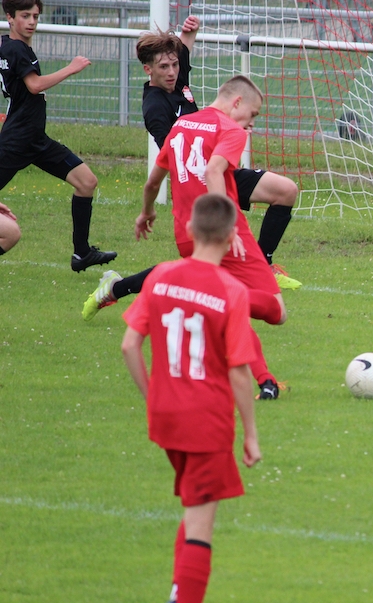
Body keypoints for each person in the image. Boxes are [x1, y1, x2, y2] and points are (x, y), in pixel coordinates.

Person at [82, 19, 301, 321]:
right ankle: (213, 287)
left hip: (209, 184)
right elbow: (187, 163)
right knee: (257, 302)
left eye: (174, 65)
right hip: (202, 188)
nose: (172, 71)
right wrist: (228, 224)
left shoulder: (181, 96)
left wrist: (189, 33)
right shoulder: (157, 108)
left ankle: (259, 266)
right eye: (164, 67)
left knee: (285, 191)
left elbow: (154, 182)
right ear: (149, 70)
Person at [121, 193, 261, 603]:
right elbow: (239, 371)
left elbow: (130, 345)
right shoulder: (231, 291)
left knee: (195, 504)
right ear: (232, 236)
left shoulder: (161, 275)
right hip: (206, 422)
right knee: (202, 523)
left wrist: (153, 397)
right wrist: (251, 434)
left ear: (188, 228)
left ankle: (177, 591)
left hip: (166, 417)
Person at [134, 75, 287, 400]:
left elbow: (152, 183)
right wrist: (227, 227)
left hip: (187, 234)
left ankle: (266, 381)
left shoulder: (181, 125)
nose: (251, 123)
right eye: (253, 114)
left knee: (230, 305)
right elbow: (213, 170)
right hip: (224, 232)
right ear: (237, 102)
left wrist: (146, 213)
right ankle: (214, 297)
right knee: (276, 310)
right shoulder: (229, 129)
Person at [0, 0, 116, 272]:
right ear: (10, 17)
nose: (31, 22)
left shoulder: (9, 46)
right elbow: (34, 85)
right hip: (17, 141)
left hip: (34, 139)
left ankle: (82, 253)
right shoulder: (16, 49)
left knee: (86, 181)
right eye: (25, 16)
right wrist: (71, 67)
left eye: (35, 16)